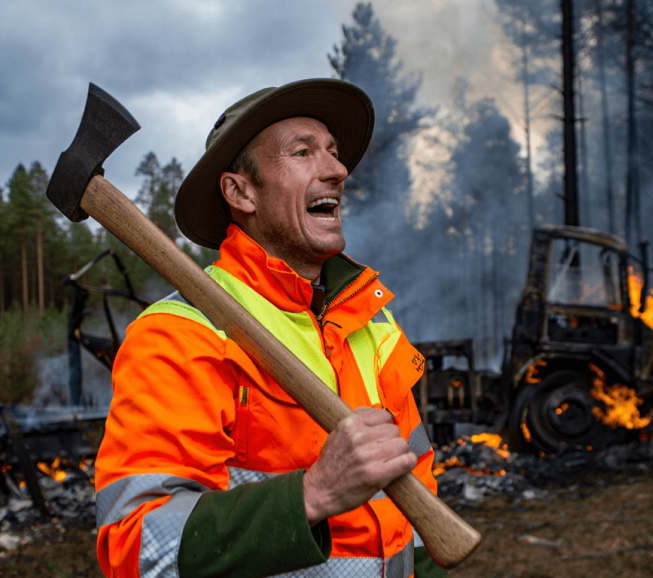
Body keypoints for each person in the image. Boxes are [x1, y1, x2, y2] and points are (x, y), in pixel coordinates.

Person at [94, 79, 446, 578]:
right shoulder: (178, 337)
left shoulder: (371, 325)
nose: (338, 170)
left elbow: (417, 504)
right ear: (241, 192)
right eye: (302, 152)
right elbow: (136, 546)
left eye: (334, 152)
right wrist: (313, 493)